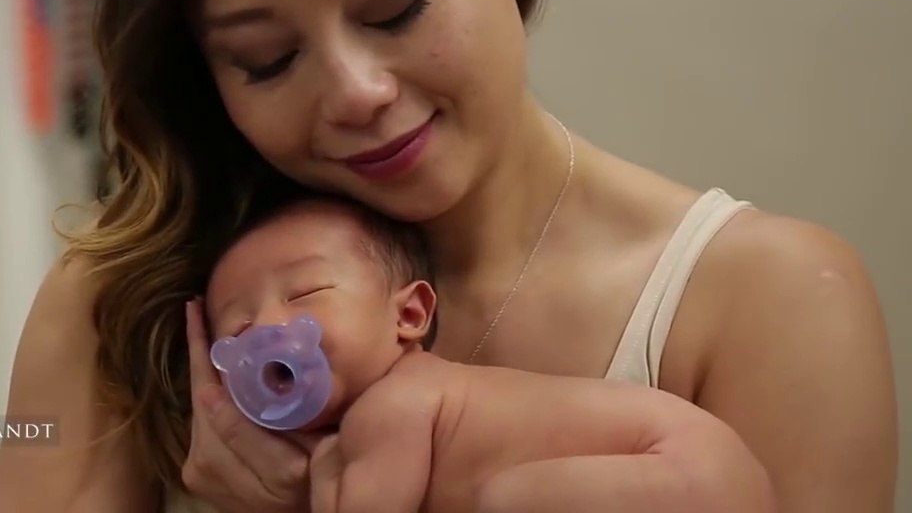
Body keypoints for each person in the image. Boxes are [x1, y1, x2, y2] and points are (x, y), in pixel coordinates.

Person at [0, 0, 899, 512]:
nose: (356, 92)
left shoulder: (769, 305)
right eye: (266, 59)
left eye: (395, 5)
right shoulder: (132, 302)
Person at [199, 193, 775, 512]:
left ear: (409, 315)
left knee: (506, 501)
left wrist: (306, 487)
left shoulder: (393, 407)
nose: (270, 329)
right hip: (711, 471)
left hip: (676, 469)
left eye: (306, 294)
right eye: (241, 326)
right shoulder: (417, 404)